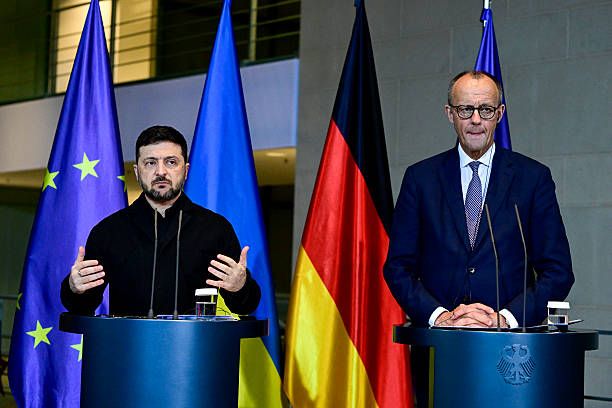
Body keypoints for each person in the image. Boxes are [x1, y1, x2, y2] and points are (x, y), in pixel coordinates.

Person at [383, 70, 574, 329]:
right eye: (465, 109)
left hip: (509, 343)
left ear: (500, 114)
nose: (476, 119)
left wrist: (505, 319)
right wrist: (439, 317)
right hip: (438, 341)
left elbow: (558, 271)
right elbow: (398, 267)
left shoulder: (532, 178)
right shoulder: (420, 178)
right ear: (450, 114)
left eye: (486, 109)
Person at [61, 125, 261, 316]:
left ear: (186, 170)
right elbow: (82, 306)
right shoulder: (108, 231)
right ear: (137, 172)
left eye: (171, 162)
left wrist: (240, 286)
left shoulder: (215, 228)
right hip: (126, 340)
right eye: (150, 163)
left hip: (195, 340)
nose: (161, 172)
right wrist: (74, 287)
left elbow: (245, 306)